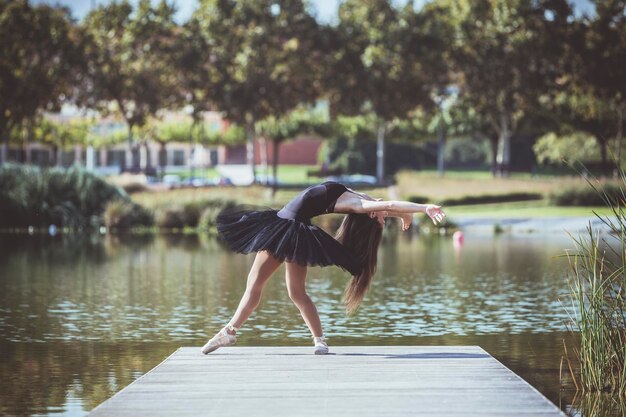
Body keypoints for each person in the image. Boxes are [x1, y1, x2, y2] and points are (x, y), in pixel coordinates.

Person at [201, 181, 446, 355]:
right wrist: (405, 215)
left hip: (287, 226)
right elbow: (388, 205)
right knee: (295, 292)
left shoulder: (360, 206)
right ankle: (320, 341)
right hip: (291, 226)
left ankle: (230, 331)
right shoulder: (362, 199)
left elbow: (388, 203)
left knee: (257, 285)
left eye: (382, 217)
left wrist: (424, 208)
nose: (383, 214)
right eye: (385, 218)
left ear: (371, 215)